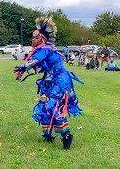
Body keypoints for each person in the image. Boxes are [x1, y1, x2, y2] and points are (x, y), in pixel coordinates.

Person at [14, 15, 84, 150]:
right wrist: (25, 68)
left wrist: (24, 67)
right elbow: (36, 62)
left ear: (42, 39)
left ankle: (66, 135)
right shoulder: (42, 49)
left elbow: (36, 60)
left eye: (35, 37)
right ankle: (47, 134)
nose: (32, 39)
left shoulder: (45, 49)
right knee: (42, 105)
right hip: (48, 80)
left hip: (59, 81)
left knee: (52, 106)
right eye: (32, 37)